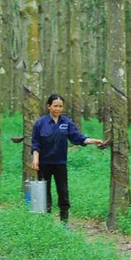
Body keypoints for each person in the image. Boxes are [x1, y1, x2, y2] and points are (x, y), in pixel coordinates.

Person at [31, 94, 102, 224]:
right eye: (55, 106)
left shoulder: (66, 122)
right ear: (48, 106)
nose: (58, 109)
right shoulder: (40, 123)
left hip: (60, 163)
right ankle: (45, 223)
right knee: (44, 192)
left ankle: (64, 222)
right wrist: (35, 160)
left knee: (63, 191)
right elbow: (36, 144)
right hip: (43, 164)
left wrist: (93, 141)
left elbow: (77, 137)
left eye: (60, 106)